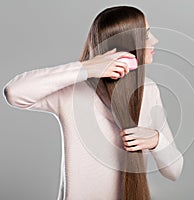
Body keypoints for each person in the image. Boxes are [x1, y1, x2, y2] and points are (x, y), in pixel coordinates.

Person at [3, 6, 183, 200]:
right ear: (126, 43)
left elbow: (174, 171)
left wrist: (156, 141)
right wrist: (86, 68)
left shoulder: (148, 90)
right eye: (146, 35)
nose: (155, 41)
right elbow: (14, 92)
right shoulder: (72, 91)